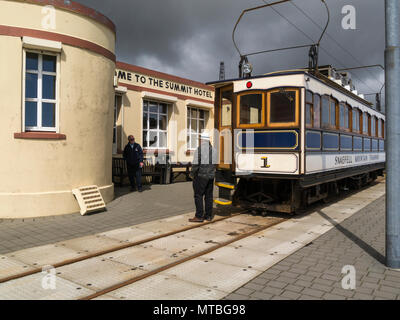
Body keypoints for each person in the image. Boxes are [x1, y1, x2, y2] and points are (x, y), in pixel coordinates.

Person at [189, 132, 217, 223]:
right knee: (209, 196)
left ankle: (199, 216)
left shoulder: (200, 149)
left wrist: (192, 174)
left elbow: (195, 164)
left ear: (202, 140)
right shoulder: (214, 150)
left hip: (201, 176)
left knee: (198, 195)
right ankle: (208, 216)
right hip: (211, 176)